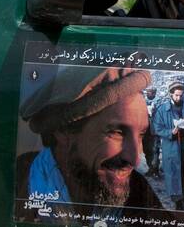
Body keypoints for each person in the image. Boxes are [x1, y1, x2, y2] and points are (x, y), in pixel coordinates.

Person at [20, 66, 165, 215]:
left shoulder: (141, 194)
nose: (135, 159)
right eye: (117, 133)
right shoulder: (14, 184)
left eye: (141, 134)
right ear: (63, 131)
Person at [152, 79, 184, 210]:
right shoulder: (162, 109)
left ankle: (182, 191)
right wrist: (170, 132)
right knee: (173, 170)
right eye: (176, 95)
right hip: (172, 144)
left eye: (181, 95)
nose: (178, 98)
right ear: (171, 94)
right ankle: (177, 199)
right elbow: (157, 128)